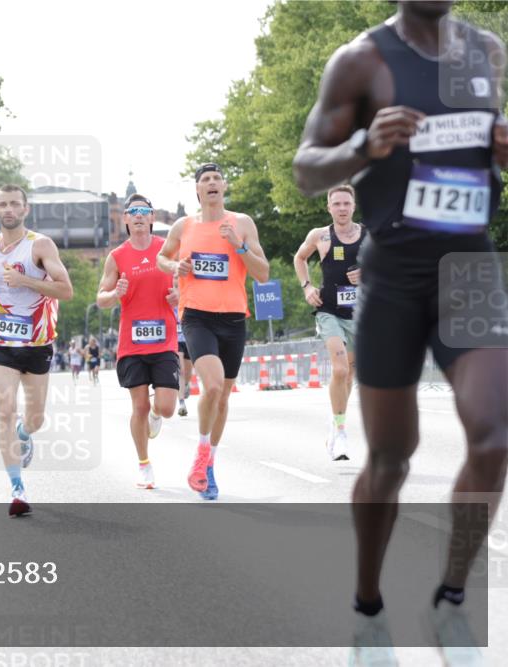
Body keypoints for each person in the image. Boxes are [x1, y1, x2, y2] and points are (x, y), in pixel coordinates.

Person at [292, 2, 508, 663]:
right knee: (391, 456)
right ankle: (368, 608)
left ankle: (449, 599)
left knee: (497, 433)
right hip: (393, 273)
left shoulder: (486, 51)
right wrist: (363, 146)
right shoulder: (361, 60)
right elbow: (306, 167)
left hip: (469, 267)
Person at [157, 163, 270, 500]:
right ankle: (202, 453)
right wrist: (175, 265)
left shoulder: (242, 223)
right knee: (214, 385)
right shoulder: (184, 225)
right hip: (196, 316)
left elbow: (262, 273)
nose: (211, 183)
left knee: (222, 399)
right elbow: (163, 258)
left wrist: (239, 245)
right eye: (205, 180)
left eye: (216, 179)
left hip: (234, 318)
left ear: (224, 187)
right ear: (197, 190)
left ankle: (209, 465)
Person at [0, 183, 73, 516]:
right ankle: (17, 489)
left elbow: (66, 290)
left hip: (36, 341)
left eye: (15, 204)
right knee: (4, 409)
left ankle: (24, 434)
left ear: (25, 209)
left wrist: (28, 281)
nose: (8, 210)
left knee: (35, 418)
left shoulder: (40, 245)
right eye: (2, 204)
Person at [98, 193, 180, 489]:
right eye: (133, 212)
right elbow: (101, 299)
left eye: (144, 211)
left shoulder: (166, 249)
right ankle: (144, 465)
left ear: (151, 217)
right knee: (139, 407)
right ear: (126, 219)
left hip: (164, 340)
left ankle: (159, 415)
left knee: (167, 407)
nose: (138, 216)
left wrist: (178, 295)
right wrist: (115, 294)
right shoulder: (117, 256)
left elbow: (185, 283)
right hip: (131, 345)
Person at [293, 184, 366, 461]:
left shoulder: (369, 236)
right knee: (338, 370)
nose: (342, 208)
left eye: (346, 203)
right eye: (337, 204)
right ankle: (342, 433)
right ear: (329, 208)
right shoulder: (321, 236)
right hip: (329, 311)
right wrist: (307, 287)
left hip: (360, 314)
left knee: (349, 375)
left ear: (354, 206)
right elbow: (300, 258)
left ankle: (335, 422)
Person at [176, 312, 192, 417]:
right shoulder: (171, 300)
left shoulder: (188, 299)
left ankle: (186, 384)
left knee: (187, 372)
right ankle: (181, 403)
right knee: (181, 370)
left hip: (190, 339)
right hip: (176, 340)